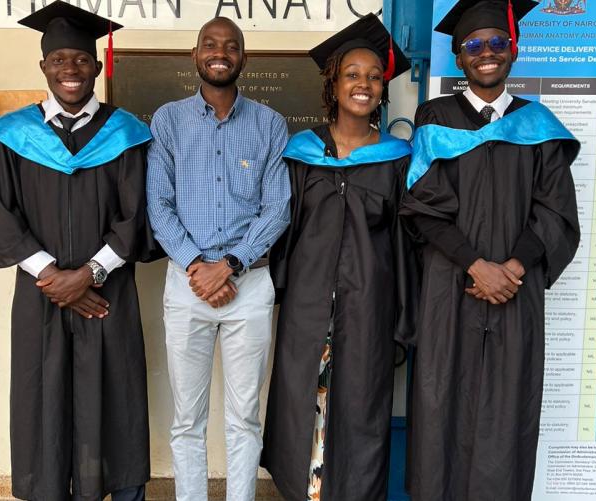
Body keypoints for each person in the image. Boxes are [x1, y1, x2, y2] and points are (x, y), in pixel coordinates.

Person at [0, 3, 157, 500]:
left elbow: (135, 217)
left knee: (114, 401)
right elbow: (0, 219)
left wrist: (89, 274)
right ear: (43, 68)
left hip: (108, 299)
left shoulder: (126, 135)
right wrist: (58, 279)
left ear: (97, 67)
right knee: (44, 402)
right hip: (42, 299)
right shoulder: (13, 139)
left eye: (80, 60)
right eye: (59, 61)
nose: (70, 70)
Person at [401, 1, 581, 499]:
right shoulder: (435, 118)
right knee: (441, 406)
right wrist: (476, 265)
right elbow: (421, 205)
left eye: (497, 43)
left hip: (515, 295)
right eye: (474, 45)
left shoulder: (537, 124)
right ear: (459, 58)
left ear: (512, 50)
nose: (486, 54)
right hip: (451, 290)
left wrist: (512, 268)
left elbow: (555, 210)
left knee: (507, 413)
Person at [260, 14, 419, 501]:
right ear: (334, 82)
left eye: (374, 76)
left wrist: (401, 315)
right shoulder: (301, 152)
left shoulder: (397, 158)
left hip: (368, 306)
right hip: (308, 310)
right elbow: (281, 232)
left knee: (362, 411)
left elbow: (406, 241)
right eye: (352, 74)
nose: (364, 84)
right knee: (299, 407)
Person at [145, 17, 291, 501]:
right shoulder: (168, 120)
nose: (220, 52)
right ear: (195, 55)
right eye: (210, 44)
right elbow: (158, 206)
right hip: (186, 284)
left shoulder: (270, 124)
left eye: (231, 46)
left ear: (243, 58)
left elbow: (278, 209)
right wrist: (197, 267)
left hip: (248, 285)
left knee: (244, 416)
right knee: (187, 418)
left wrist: (227, 266)